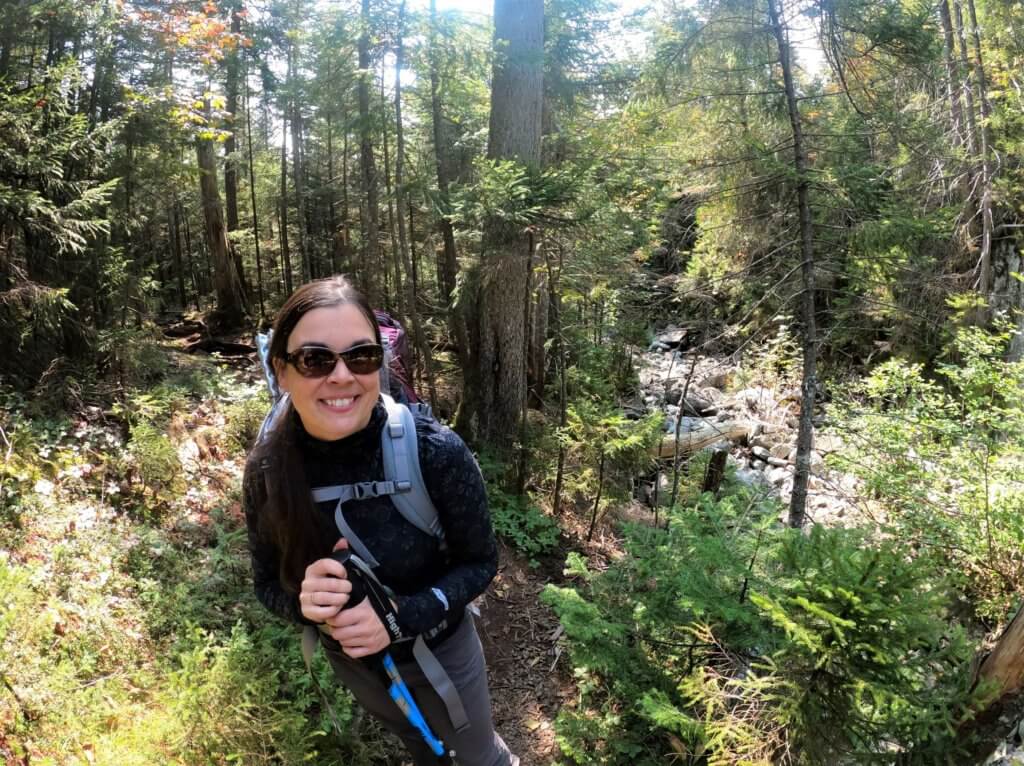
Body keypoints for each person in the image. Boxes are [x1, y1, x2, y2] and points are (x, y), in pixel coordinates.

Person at [242, 275, 517, 765]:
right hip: (356, 666)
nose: (342, 375)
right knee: (422, 748)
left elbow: (480, 562)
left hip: (445, 654)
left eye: (361, 356)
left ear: (380, 364)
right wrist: (305, 604)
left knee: (476, 759)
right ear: (281, 371)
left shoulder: (434, 452)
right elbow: (266, 583)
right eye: (315, 359)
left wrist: (397, 619)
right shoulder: (268, 472)